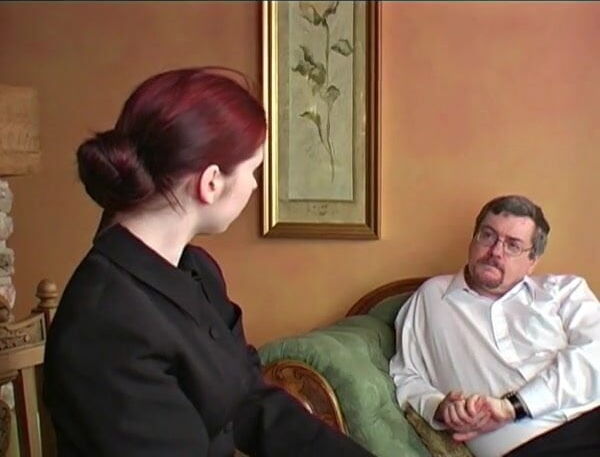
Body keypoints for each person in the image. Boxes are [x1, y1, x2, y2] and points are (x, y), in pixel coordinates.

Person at [43, 67, 375, 457]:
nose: (255, 185)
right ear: (211, 182)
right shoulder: (107, 322)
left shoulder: (197, 269)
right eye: (253, 171)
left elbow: (250, 400)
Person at [389, 195, 600, 457]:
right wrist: (440, 407)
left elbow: (596, 354)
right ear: (472, 240)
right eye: (488, 236)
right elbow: (406, 375)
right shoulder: (432, 298)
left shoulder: (564, 292)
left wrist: (514, 406)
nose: (495, 252)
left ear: (532, 261)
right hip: (529, 447)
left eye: (513, 245)